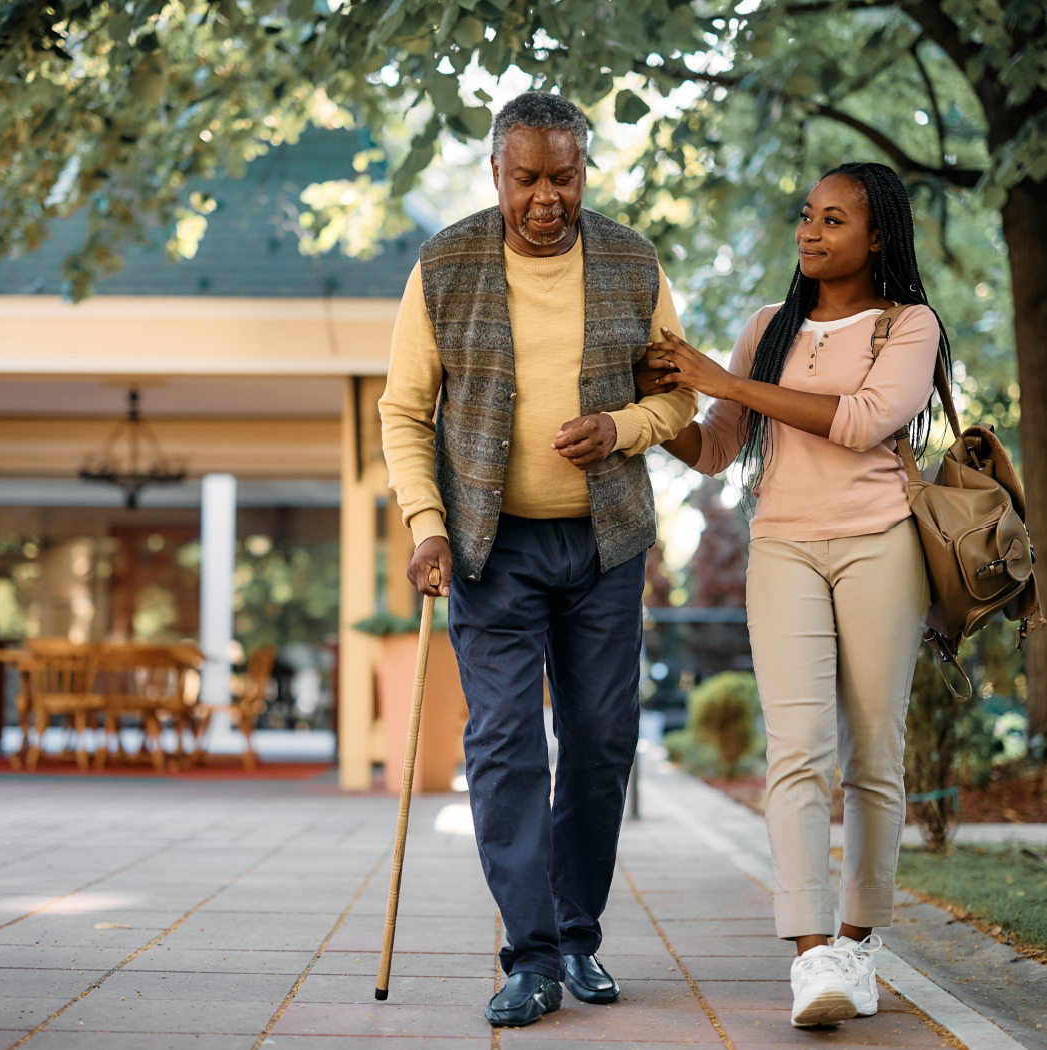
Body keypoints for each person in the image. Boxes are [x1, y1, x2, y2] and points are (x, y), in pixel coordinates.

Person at [379, 91, 696, 1027]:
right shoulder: (445, 264)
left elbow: (678, 400)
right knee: (506, 744)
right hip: (490, 544)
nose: (547, 197)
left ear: (584, 171)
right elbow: (405, 411)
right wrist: (425, 523)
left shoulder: (634, 260)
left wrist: (624, 426)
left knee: (601, 743)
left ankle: (577, 934)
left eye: (564, 175)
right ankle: (529, 956)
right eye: (529, 178)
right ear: (497, 175)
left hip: (604, 544)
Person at [638, 162, 948, 1028]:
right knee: (799, 750)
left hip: (880, 547)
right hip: (784, 549)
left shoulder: (907, 326)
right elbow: (715, 449)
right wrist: (653, 414)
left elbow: (857, 422)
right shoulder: (765, 328)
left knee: (874, 755)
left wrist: (722, 379)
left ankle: (859, 942)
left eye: (834, 220)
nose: (811, 232)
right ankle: (811, 958)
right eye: (806, 216)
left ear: (877, 234)